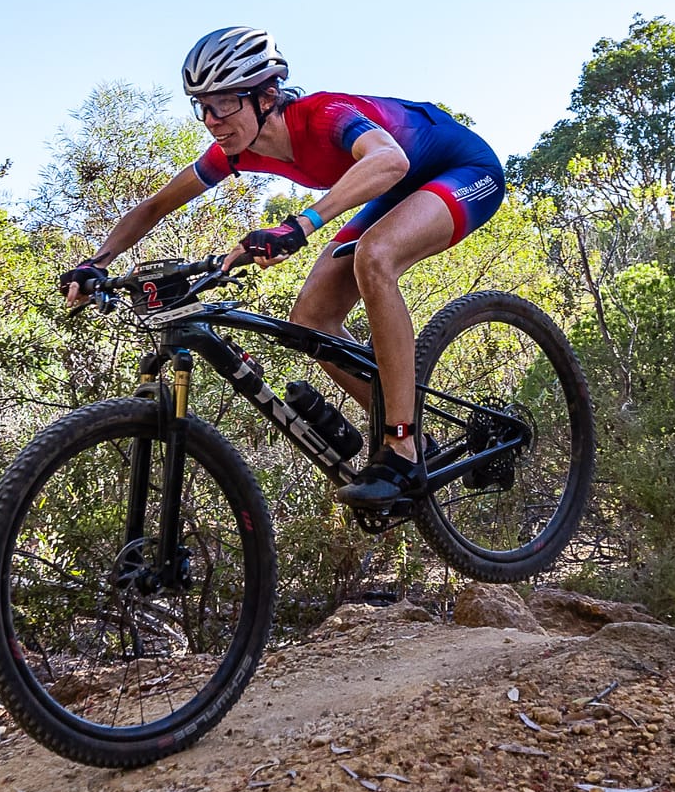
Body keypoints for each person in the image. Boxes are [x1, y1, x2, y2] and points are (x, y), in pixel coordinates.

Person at [57, 26, 505, 511]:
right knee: (310, 321)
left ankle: (401, 448)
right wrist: (95, 262)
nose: (211, 119)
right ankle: (417, 436)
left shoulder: (324, 114)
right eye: (202, 106)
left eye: (224, 103)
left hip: (462, 171)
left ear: (267, 95)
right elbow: (155, 206)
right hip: (394, 189)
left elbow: (388, 160)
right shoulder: (234, 151)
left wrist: (300, 225)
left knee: (374, 258)